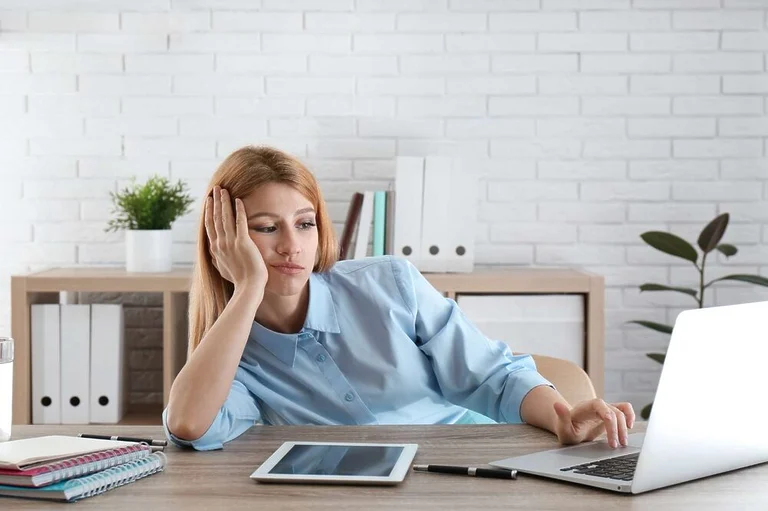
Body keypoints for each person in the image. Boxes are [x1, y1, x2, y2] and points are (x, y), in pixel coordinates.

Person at [163, 145, 635, 451]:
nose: (292, 246)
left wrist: (562, 418)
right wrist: (248, 288)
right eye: (266, 228)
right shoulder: (232, 356)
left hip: (465, 466)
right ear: (223, 241)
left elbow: (495, 376)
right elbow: (189, 424)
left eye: (305, 224)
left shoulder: (389, 283)